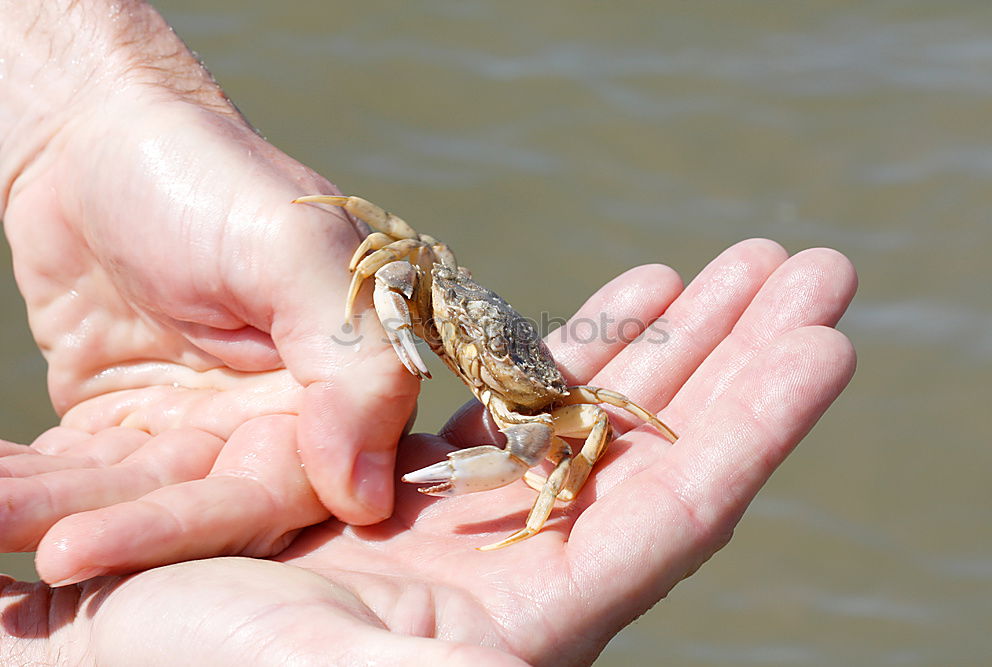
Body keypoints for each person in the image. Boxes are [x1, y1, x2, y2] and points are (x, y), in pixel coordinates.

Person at [0, 1, 857, 663]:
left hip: (524, 381)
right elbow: (384, 247)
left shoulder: (553, 399)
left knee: (572, 439)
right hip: (456, 309)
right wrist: (86, 120)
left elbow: (585, 423)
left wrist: (82, 113)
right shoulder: (434, 277)